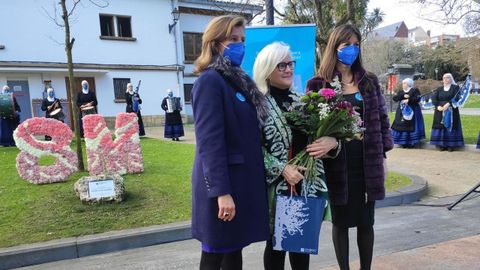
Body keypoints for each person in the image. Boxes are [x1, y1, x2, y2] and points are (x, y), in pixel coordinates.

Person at [306, 24, 394, 270]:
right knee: (341, 222)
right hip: (338, 163)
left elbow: (382, 123)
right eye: (347, 45)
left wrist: (383, 159)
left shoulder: (369, 82)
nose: (352, 50)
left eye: (356, 45)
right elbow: (312, 129)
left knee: (366, 222)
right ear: (335, 47)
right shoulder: (317, 84)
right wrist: (332, 140)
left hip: (368, 162)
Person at [191, 15, 270, 270]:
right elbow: (209, 142)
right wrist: (221, 193)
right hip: (223, 187)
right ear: (215, 44)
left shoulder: (236, 81)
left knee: (233, 251)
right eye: (233, 39)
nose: (240, 45)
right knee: (215, 253)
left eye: (242, 40)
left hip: (238, 184)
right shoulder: (210, 81)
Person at [253, 42, 331, 270]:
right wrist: (281, 168)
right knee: (276, 247)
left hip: (305, 184)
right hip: (276, 186)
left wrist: (330, 141)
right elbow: (251, 147)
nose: (288, 69)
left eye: (290, 63)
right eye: (281, 65)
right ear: (267, 69)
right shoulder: (258, 105)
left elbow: (318, 138)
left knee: (301, 247)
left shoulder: (303, 101)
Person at [430, 73, 464, 151]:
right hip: (440, 110)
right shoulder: (439, 89)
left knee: (450, 125)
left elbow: (457, 97)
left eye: (447, 77)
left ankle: (451, 145)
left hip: (451, 110)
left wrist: (448, 104)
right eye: (444, 78)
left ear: (451, 79)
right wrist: (437, 106)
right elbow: (434, 98)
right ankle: (441, 145)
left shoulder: (455, 88)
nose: (445, 79)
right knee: (441, 126)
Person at [391, 78, 426, 148]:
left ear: (409, 84)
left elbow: (418, 99)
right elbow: (395, 98)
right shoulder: (401, 92)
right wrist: (403, 96)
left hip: (413, 111)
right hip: (401, 111)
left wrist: (409, 100)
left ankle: (411, 142)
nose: (403, 85)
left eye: (405, 83)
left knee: (411, 124)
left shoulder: (414, 90)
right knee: (402, 124)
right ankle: (403, 142)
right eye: (403, 83)